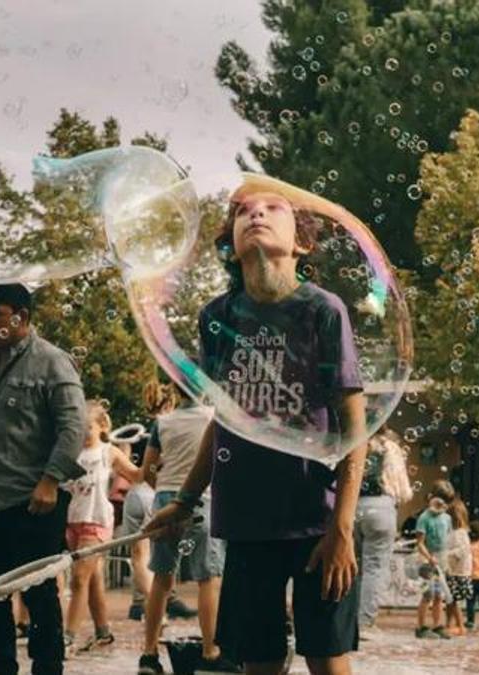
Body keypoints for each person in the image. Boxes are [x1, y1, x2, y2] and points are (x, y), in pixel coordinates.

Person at [144, 188, 368, 675]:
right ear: (231, 244)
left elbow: (355, 427)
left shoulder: (323, 311)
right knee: (257, 664)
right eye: (243, 212)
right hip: (246, 521)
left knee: (328, 660)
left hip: (317, 518)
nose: (255, 214)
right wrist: (183, 501)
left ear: (301, 243)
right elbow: (224, 422)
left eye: (272, 209)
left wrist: (342, 529)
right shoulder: (217, 318)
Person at [0, 283, 87, 675]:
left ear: (21, 317)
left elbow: (73, 427)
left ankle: (47, 668)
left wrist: (50, 480)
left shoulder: (52, 362)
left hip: (35, 502)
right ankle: (0, 669)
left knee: (41, 594)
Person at [137, 384, 238, 674]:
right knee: (209, 578)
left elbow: (147, 470)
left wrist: (166, 495)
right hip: (202, 499)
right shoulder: (212, 417)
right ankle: (210, 651)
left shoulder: (162, 421)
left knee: (161, 579)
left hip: (166, 498)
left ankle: (149, 654)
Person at [63, 400, 143, 655]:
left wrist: (158, 461)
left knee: (78, 579)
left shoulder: (108, 452)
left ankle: (68, 637)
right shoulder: (70, 452)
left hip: (96, 521)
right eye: (79, 426)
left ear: (101, 426)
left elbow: (137, 475)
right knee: (93, 576)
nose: (83, 432)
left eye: (88, 427)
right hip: (72, 521)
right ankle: (103, 632)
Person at [117, 382, 196, 622]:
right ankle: (163, 600)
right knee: (162, 557)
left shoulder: (133, 432)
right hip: (157, 491)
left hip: (134, 494)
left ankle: (139, 602)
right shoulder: (171, 426)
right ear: (170, 402)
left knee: (138, 554)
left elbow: (130, 465)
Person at [354, 429, 413, 634]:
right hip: (381, 507)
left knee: (353, 566)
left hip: (352, 508)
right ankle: (364, 622)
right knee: (374, 567)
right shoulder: (390, 447)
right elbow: (403, 489)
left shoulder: (356, 440)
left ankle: (347, 620)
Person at [414, 482, 454, 640]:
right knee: (428, 594)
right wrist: (429, 558)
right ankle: (421, 627)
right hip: (426, 562)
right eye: (441, 500)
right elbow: (419, 543)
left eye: (447, 501)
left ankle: (438, 626)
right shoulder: (424, 517)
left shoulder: (447, 518)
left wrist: (447, 560)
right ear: (432, 498)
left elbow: (448, 541)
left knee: (439, 595)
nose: (443, 504)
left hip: (441, 562)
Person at [443, 497, 472, 637]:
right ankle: (449, 624)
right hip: (452, 571)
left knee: (453, 601)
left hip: (459, 573)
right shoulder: (452, 533)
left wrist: (446, 554)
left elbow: (462, 551)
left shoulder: (460, 533)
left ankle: (461, 626)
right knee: (449, 600)